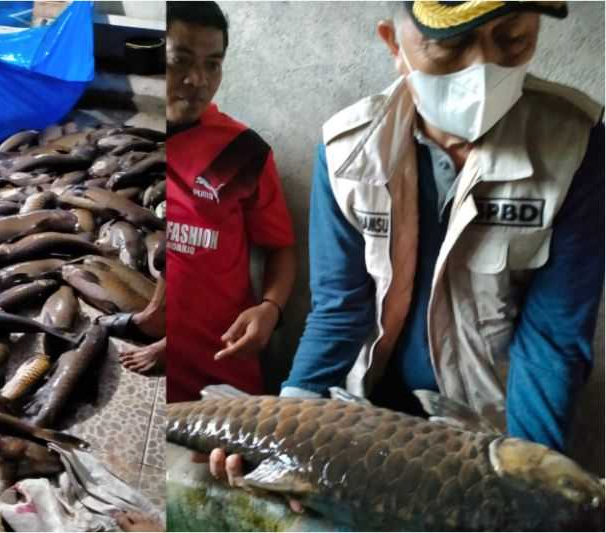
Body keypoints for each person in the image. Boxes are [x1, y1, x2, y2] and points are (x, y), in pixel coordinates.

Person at [208, 0, 604, 493]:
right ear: (395, 45)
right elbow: (340, 311)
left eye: (512, 40)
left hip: (493, 424)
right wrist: (289, 424)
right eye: (451, 44)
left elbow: (552, 339)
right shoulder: (347, 150)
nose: (482, 71)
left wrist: (529, 476)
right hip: (365, 409)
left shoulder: (576, 149)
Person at [166, 1, 297, 402]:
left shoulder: (243, 152)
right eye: (179, 61)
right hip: (143, 368)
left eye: (213, 64)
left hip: (220, 381)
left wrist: (271, 309)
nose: (197, 80)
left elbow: (280, 249)